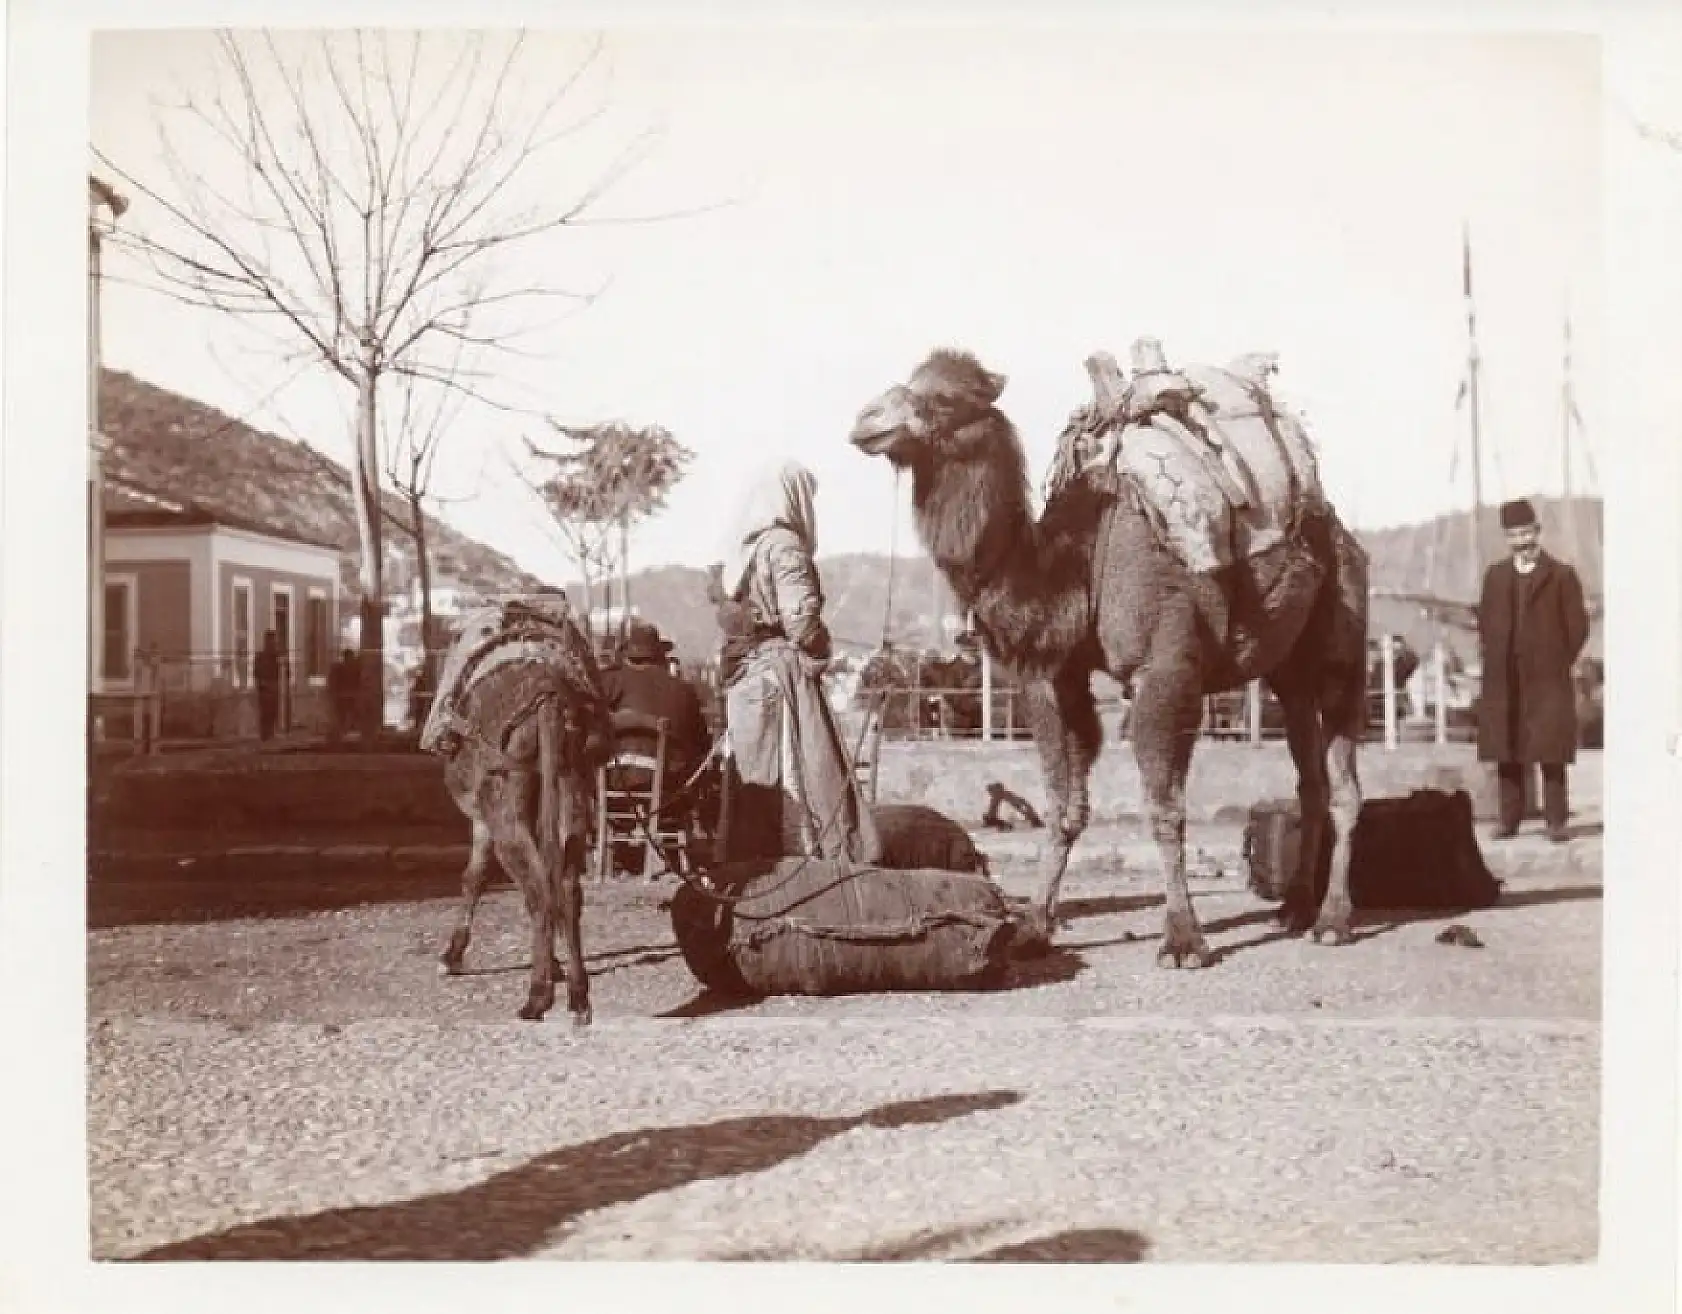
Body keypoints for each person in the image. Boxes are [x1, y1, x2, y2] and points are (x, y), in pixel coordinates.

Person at [714, 460, 881, 865]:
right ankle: (808, 862)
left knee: (754, 775)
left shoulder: (742, 552)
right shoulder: (784, 545)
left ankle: (752, 863)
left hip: (746, 678)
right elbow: (800, 621)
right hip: (778, 678)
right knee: (801, 771)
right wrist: (819, 652)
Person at [1476, 497, 1591, 841]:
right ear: (1506, 538)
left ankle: (1556, 821)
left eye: (1526, 533)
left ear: (1537, 532)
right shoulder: (1495, 577)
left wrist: (1556, 659)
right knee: (1507, 748)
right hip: (1505, 676)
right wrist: (1495, 654)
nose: (1521, 542)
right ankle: (1509, 820)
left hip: (1547, 678)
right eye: (1514, 535)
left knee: (1550, 751)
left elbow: (1578, 627)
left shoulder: (1561, 576)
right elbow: (1485, 622)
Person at [601, 619, 713, 791]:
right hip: (668, 783)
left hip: (613, 779)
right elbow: (700, 741)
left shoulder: (609, 681)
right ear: (661, 655)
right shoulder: (682, 688)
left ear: (627, 655)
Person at [253, 630, 282, 742]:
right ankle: (265, 735)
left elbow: (280, 672)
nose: (273, 644)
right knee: (266, 712)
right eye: (271, 641)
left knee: (273, 712)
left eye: (274, 642)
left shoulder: (275, 657)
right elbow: (256, 672)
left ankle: (270, 733)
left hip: (273, 687)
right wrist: (262, 683)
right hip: (265, 688)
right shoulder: (260, 657)